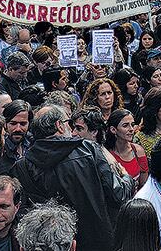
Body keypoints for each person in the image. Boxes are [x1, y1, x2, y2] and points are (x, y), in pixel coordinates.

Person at [11, 104, 134, 251]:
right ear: (59, 126)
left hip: (50, 246)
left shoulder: (21, 166)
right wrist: (127, 177)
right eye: (68, 123)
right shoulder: (88, 149)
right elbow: (118, 195)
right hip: (96, 243)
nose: (72, 129)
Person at [105, 108, 149, 187]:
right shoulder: (106, 154)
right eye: (125, 126)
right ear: (113, 129)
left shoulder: (138, 151)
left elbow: (144, 185)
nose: (131, 129)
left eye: (132, 125)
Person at [0, 99, 31, 175]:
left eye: (23, 124)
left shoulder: (34, 144)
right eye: (13, 124)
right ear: (5, 124)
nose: (18, 129)